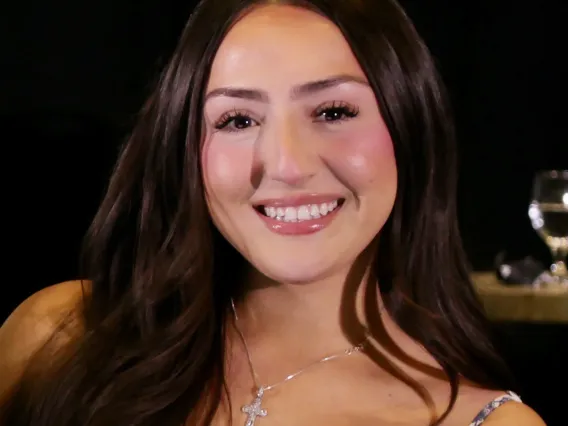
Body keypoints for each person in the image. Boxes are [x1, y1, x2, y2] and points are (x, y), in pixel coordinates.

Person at [0, 0, 547, 425]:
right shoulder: (59, 337)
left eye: (333, 111)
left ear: (411, 129)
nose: (286, 164)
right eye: (237, 120)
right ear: (186, 150)